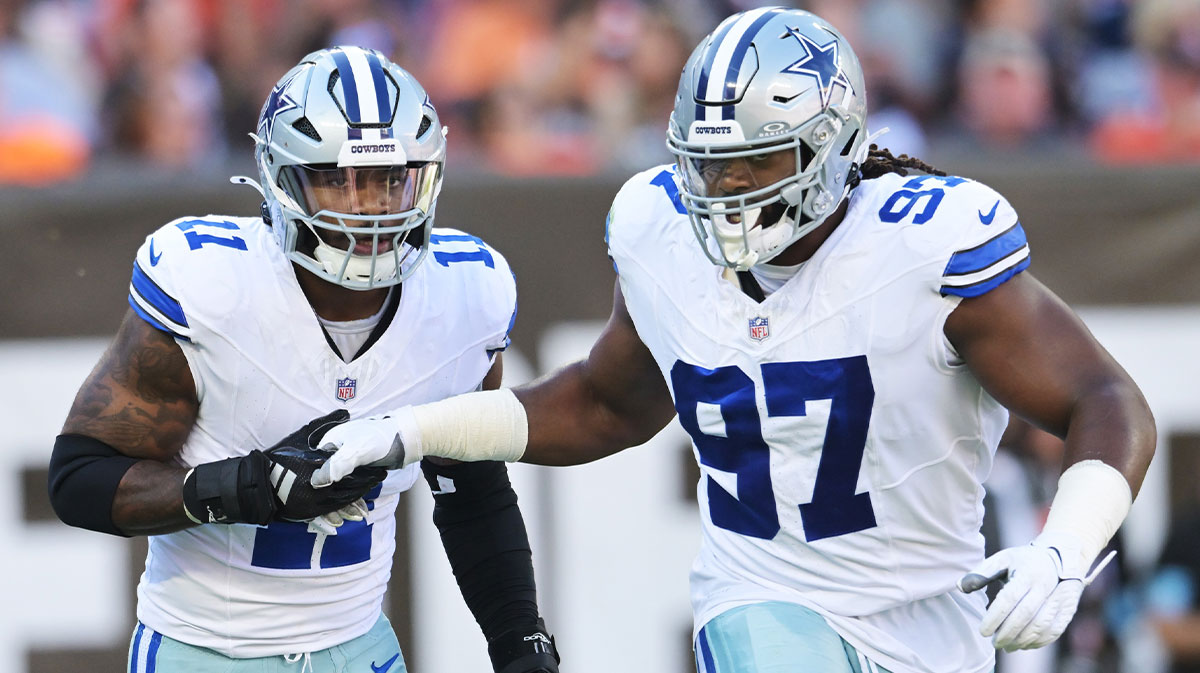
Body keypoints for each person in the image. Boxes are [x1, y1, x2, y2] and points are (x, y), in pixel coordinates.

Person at [314, 9, 1155, 673]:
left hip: (932, 620)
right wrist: (415, 431)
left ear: (830, 150)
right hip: (762, 592)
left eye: (758, 163)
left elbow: (1106, 399)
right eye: (711, 165)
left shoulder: (922, 249)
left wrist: (1065, 548)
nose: (727, 190)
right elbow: (608, 402)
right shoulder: (659, 230)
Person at [47, 46, 559, 673]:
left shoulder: (466, 294)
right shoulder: (211, 285)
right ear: (280, 178)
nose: (369, 206)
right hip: (207, 651)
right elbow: (79, 477)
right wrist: (246, 487)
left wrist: (518, 641)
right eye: (337, 178)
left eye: (389, 179)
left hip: (362, 648)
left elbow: (470, 488)